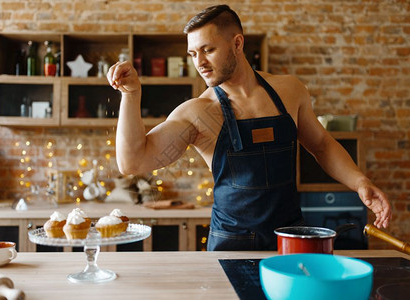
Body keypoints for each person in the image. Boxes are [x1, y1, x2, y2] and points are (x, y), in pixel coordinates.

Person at [107, 5, 392, 251]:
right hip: (231, 245)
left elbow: (321, 145)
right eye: (193, 54)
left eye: (208, 50)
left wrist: (360, 183)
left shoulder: (290, 91)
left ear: (238, 43)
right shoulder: (199, 112)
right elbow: (132, 161)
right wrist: (131, 95)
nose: (200, 63)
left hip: (291, 239)